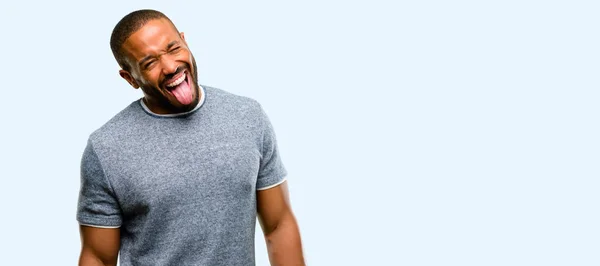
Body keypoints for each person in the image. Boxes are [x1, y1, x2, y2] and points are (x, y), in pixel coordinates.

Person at [76, 9, 305, 266]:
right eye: (149, 63)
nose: (170, 67)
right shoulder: (107, 148)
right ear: (130, 78)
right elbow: (98, 257)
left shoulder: (247, 117)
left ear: (185, 41)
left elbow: (279, 225)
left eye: (173, 48)